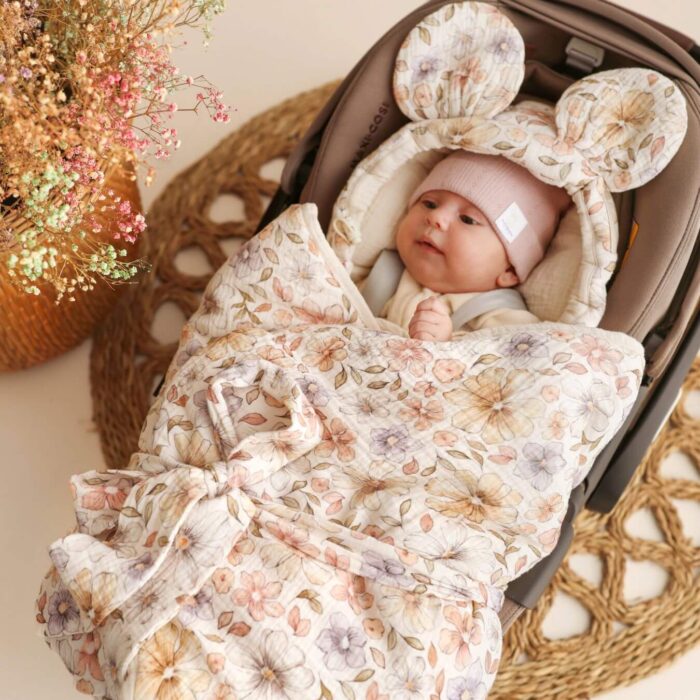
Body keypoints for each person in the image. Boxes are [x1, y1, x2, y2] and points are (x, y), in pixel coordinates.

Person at [362, 150, 571, 341]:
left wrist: (446, 346)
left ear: (509, 271)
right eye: (429, 204)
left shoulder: (506, 321)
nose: (436, 217)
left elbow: (513, 366)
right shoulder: (380, 275)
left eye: (467, 220)